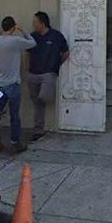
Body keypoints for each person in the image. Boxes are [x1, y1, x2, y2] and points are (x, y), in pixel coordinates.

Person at [0, 16, 37, 153]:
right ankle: (15, 142)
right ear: (13, 27)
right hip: (13, 84)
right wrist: (23, 30)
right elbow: (33, 43)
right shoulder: (16, 41)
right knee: (14, 115)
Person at [27, 11, 69, 141]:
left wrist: (57, 64)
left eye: (35, 22)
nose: (33, 24)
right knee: (36, 103)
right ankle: (38, 130)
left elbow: (66, 52)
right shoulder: (32, 37)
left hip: (48, 73)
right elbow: (27, 53)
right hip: (33, 73)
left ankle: (39, 126)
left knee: (43, 98)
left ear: (42, 23)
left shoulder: (56, 36)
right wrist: (28, 67)